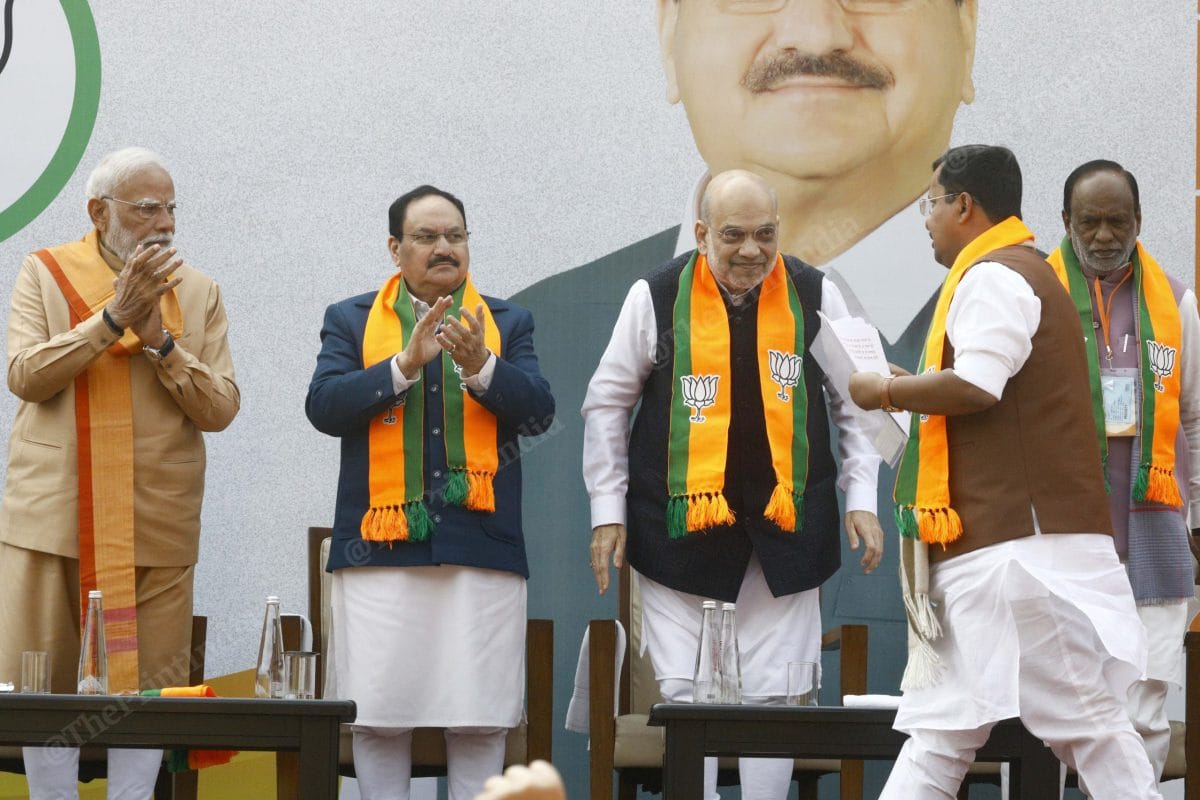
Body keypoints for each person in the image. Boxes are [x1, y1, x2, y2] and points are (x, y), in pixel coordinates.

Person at [849, 145, 1162, 799]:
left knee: (1090, 728)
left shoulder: (994, 276)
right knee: (944, 733)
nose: (927, 221)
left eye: (931, 206)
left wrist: (886, 391)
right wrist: (915, 388)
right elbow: (981, 391)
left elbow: (978, 385)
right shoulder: (1010, 271)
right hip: (1010, 551)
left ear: (964, 206)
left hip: (1021, 555)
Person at [584, 170, 883, 800]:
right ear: (700, 234)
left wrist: (861, 500)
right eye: (733, 236)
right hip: (676, 534)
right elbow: (608, 403)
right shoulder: (656, 295)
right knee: (691, 698)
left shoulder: (816, 292)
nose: (752, 251)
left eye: (766, 234)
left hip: (787, 529)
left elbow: (859, 402)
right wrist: (606, 511)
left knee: (771, 696)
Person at [0, 146, 240, 798]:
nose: (163, 223)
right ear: (98, 211)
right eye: (145, 209)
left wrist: (162, 342)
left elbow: (220, 407)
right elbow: (25, 375)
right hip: (56, 514)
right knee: (44, 678)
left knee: (147, 690)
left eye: (170, 209)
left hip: (154, 518)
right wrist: (110, 320)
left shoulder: (198, 292)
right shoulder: (45, 274)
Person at [306, 185, 555, 800]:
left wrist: (482, 368)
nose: (445, 248)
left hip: (482, 550)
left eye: (456, 236)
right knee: (379, 716)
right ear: (396, 248)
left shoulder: (507, 322)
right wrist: (403, 367)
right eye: (427, 237)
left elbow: (539, 413)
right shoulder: (352, 319)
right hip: (379, 552)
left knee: (478, 720)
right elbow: (325, 406)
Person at [1046, 159, 1200, 786]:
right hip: (1060, 538)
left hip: (1154, 537)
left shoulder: (1177, 302)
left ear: (1139, 221)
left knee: (1142, 712)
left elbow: (1194, 415)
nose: (1105, 235)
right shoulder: (1036, 296)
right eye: (1091, 221)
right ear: (1065, 223)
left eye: (1118, 221)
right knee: (1056, 711)